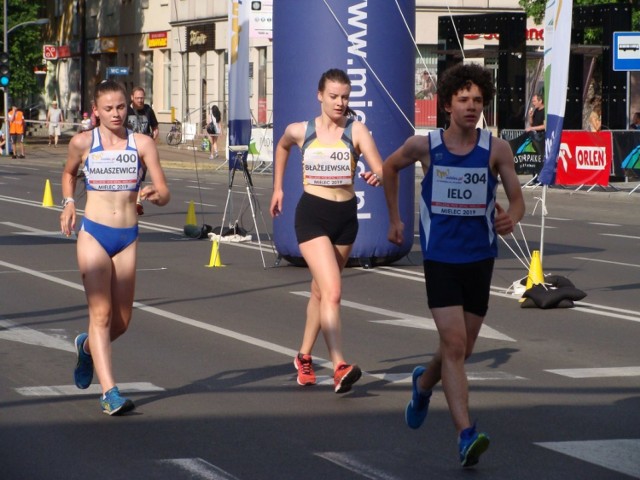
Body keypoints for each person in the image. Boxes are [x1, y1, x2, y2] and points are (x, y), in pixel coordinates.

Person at [383, 63, 525, 468]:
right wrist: (396, 219)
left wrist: (511, 217)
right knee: (456, 345)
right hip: (441, 258)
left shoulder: (496, 149)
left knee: (456, 350)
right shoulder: (424, 145)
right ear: (447, 104)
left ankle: (424, 384)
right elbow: (389, 168)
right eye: (463, 99)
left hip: (480, 258)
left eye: (478, 100)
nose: (471, 106)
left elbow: (517, 199)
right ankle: (465, 435)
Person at [269, 68, 384, 394]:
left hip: (346, 219)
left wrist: (377, 176)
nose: (340, 102)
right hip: (312, 217)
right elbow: (281, 146)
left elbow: (381, 167)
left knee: (320, 292)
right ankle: (338, 365)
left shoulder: (356, 130)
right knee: (333, 291)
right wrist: (278, 188)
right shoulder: (302, 130)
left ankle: (303, 356)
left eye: (345, 97)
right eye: (333, 96)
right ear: (320, 95)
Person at [60, 80, 170, 415]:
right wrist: (68, 203)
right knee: (102, 313)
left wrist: (153, 193)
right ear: (96, 110)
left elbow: (165, 194)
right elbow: (68, 173)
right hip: (93, 233)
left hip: (127, 237)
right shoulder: (83, 142)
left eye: (120, 107)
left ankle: (87, 347)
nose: (116, 114)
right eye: (108, 108)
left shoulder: (143, 144)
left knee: (121, 321)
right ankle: (109, 392)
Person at [126, 86, 159, 215]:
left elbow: (155, 127)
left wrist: (152, 140)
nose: (140, 100)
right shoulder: (126, 110)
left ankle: (137, 201)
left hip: (143, 150)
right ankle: (135, 201)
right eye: (137, 98)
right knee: (130, 176)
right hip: (130, 148)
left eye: (142, 98)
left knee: (138, 176)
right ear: (132, 98)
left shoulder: (148, 110)